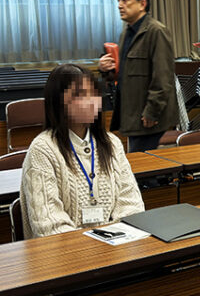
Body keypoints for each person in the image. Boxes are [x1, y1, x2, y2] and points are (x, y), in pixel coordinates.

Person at [20, 64, 145, 239]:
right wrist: (96, 245)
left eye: (94, 94)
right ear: (58, 102)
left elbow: (132, 206)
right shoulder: (42, 150)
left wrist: (115, 240)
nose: (91, 101)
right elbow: (49, 226)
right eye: (79, 95)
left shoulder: (112, 144)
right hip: (66, 251)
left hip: (115, 247)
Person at [99, 0, 178, 152]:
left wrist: (152, 111)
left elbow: (163, 77)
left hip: (149, 118)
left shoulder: (156, 31)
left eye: (125, 0)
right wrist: (106, 70)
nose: (120, 5)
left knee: (144, 165)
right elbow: (124, 73)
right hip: (132, 114)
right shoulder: (126, 33)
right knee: (136, 163)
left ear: (142, 4)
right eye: (118, 0)